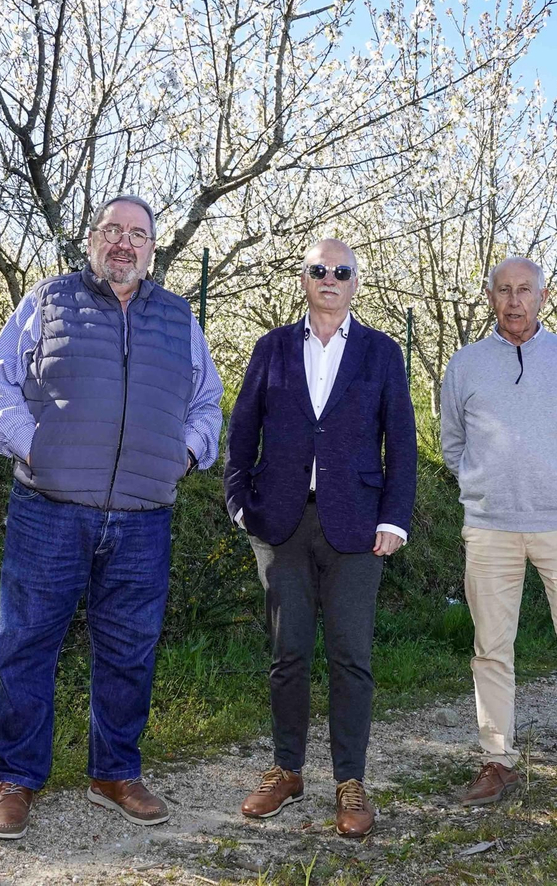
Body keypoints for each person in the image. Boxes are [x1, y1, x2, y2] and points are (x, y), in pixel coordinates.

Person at [0, 195, 223, 840]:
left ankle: (115, 772)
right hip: (48, 511)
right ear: (92, 239)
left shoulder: (178, 317)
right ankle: (17, 780)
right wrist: (37, 449)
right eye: (112, 230)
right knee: (27, 646)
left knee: (130, 650)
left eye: (137, 234)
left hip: (143, 517)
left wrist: (183, 456)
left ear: (151, 248)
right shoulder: (48, 300)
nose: (124, 243)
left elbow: (207, 403)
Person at [224, 239, 417, 838]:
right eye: (319, 270)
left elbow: (402, 443)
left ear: (356, 282)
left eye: (342, 271)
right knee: (288, 654)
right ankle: (286, 769)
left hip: (358, 530)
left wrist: (394, 518)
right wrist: (239, 504)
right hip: (282, 524)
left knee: (351, 656)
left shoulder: (382, 353)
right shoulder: (272, 348)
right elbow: (242, 431)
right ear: (304, 279)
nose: (330, 279)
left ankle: (350, 781)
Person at [438, 257, 557, 820]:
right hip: (490, 527)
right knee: (491, 649)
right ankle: (497, 760)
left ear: (543, 295)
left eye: (525, 290)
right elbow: (451, 442)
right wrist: (480, 483)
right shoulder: (465, 364)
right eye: (503, 290)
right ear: (490, 296)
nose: (514, 300)